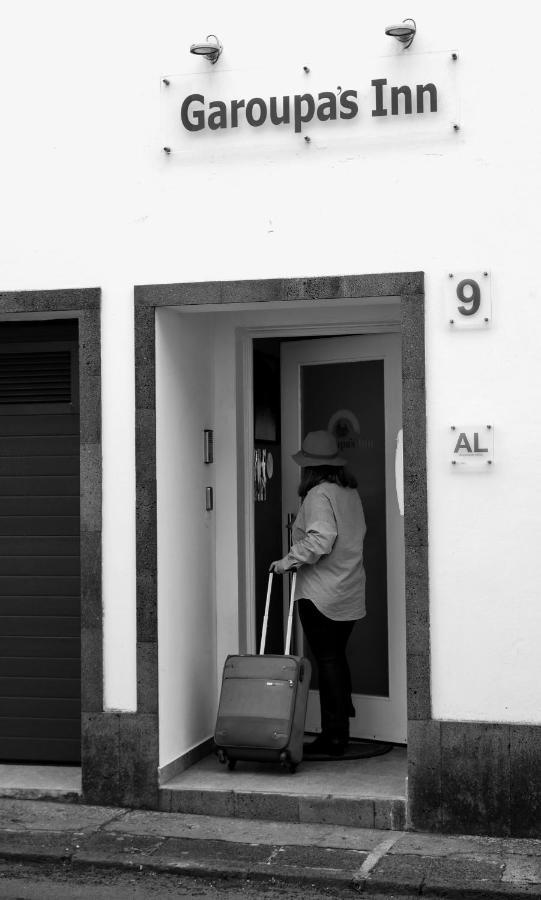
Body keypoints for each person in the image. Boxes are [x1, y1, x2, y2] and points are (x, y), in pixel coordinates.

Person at [270, 430, 367, 758]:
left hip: (321, 595)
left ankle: (334, 737)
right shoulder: (348, 493)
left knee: (327, 662)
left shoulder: (318, 496)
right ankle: (339, 730)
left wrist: (287, 561)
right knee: (336, 660)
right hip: (349, 591)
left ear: (309, 467)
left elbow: (321, 539)